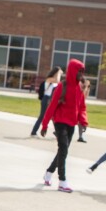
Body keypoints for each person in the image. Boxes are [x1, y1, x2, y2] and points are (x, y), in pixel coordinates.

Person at [40, 58, 86, 193]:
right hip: (60, 122)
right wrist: (44, 124)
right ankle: (62, 181)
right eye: (79, 72)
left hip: (72, 124)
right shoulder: (62, 86)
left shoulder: (79, 88)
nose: (81, 75)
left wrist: (83, 121)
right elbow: (52, 105)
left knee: (62, 152)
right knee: (64, 150)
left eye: (82, 73)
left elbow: (82, 107)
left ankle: (48, 173)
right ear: (73, 71)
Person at [30, 67, 62, 137]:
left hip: (51, 99)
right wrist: (59, 72)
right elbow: (57, 81)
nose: (60, 74)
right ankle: (33, 132)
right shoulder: (49, 79)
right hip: (46, 99)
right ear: (56, 72)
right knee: (42, 116)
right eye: (59, 73)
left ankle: (57, 132)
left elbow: (59, 84)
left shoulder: (55, 82)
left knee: (53, 116)